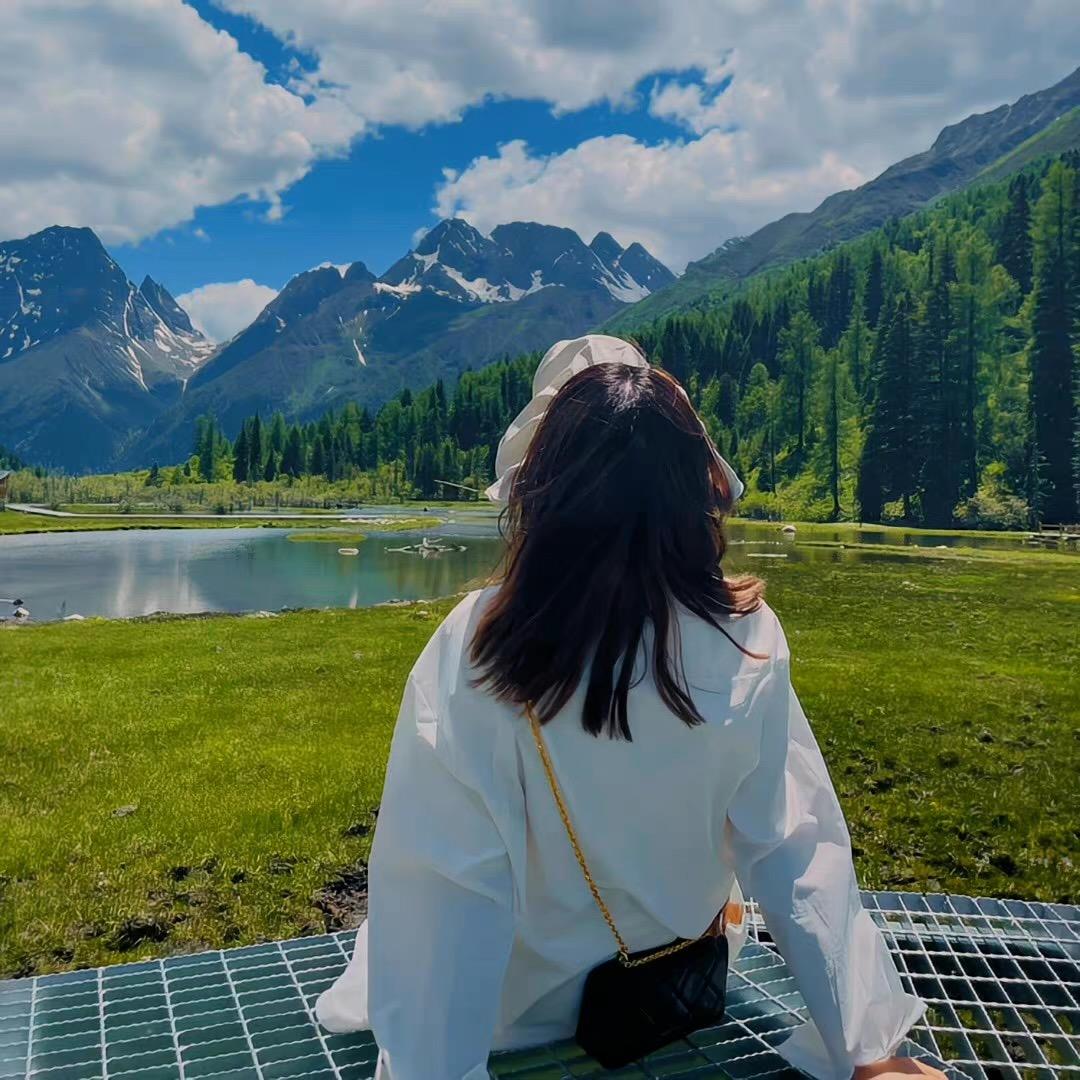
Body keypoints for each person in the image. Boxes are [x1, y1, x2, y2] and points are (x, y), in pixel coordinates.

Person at [316, 335, 941, 1080]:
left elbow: (447, 892)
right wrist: (867, 1048)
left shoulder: (482, 647)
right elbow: (791, 846)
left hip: (512, 1012)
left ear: (539, 492)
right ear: (693, 489)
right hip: (677, 986)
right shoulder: (747, 637)